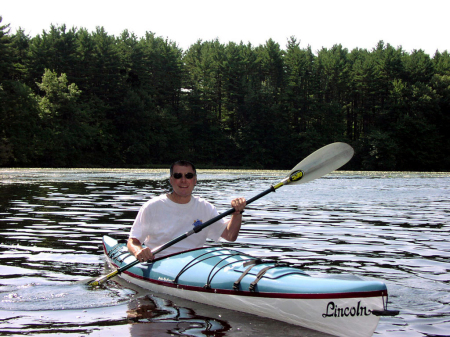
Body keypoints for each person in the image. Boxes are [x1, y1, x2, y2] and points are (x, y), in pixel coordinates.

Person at [127, 160, 246, 262]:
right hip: (158, 262)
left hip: (193, 264)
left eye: (188, 176)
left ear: (195, 180)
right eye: (178, 176)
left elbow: (230, 236)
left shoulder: (206, 207)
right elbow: (133, 241)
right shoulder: (152, 206)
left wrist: (236, 214)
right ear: (171, 180)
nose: (183, 180)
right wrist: (139, 251)